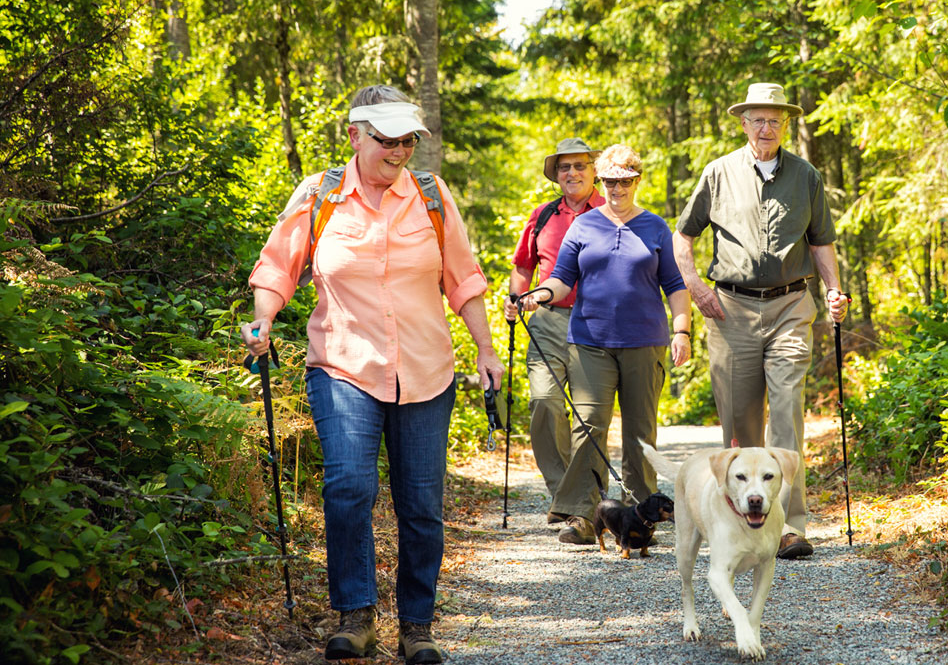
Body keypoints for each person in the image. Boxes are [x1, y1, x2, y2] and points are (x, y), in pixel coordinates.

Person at [240, 84, 502, 664]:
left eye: (408, 139)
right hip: (342, 365)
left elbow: (463, 278)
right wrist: (262, 320)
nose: (400, 150)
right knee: (349, 487)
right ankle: (355, 615)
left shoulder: (432, 196)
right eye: (387, 139)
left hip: (426, 370)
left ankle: (417, 625)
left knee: (421, 504)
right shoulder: (320, 195)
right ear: (355, 136)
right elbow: (277, 268)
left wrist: (486, 349)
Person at [672, 82, 848, 560]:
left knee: (787, 406)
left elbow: (821, 243)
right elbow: (682, 238)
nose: (766, 128)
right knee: (740, 420)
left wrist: (833, 289)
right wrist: (696, 286)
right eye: (757, 120)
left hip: (792, 304)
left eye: (775, 120)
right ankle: (741, 518)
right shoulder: (718, 173)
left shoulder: (806, 176)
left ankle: (789, 524)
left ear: (785, 125)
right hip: (731, 309)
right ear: (743, 123)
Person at [520, 144, 691, 545]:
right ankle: (583, 514)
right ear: (603, 180)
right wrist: (539, 295)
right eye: (611, 181)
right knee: (589, 428)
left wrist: (682, 331)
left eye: (625, 181)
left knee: (639, 431)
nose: (617, 188)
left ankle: (641, 513)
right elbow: (561, 278)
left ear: (637, 180)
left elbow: (675, 287)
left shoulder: (654, 227)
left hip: (645, 342)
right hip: (589, 342)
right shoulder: (584, 226)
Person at [502, 138, 604, 524]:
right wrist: (515, 298)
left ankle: (580, 503)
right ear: (556, 175)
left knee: (587, 415)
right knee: (544, 402)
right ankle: (564, 492)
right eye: (565, 167)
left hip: (597, 323)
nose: (573, 173)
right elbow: (523, 267)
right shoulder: (542, 216)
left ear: (594, 171)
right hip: (547, 319)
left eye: (581, 166)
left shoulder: (611, 211)